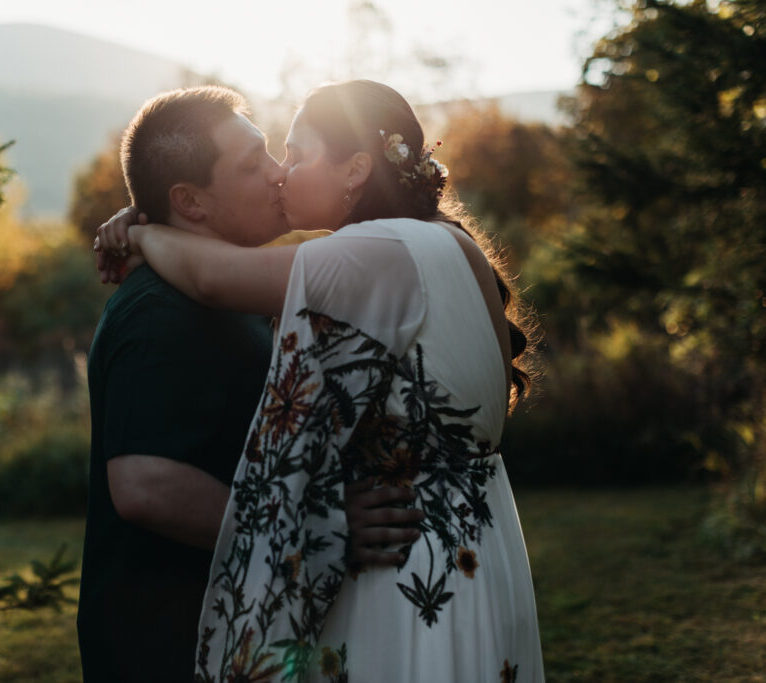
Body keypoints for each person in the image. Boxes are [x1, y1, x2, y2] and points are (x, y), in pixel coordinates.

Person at [97, 79, 545, 682]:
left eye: (295, 154)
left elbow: (215, 276)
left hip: (410, 567)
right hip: (470, 551)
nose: (281, 174)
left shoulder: (374, 254)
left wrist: (145, 230)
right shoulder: (444, 240)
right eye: (262, 161)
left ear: (357, 169)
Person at [79, 85, 423, 682]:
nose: (277, 175)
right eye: (252, 164)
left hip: (240, 630)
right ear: (189, 202)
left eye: (274, 153)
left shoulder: (228, 292)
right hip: (165, 644)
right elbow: (143, 485)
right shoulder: (159, 309)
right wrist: (325, 525)